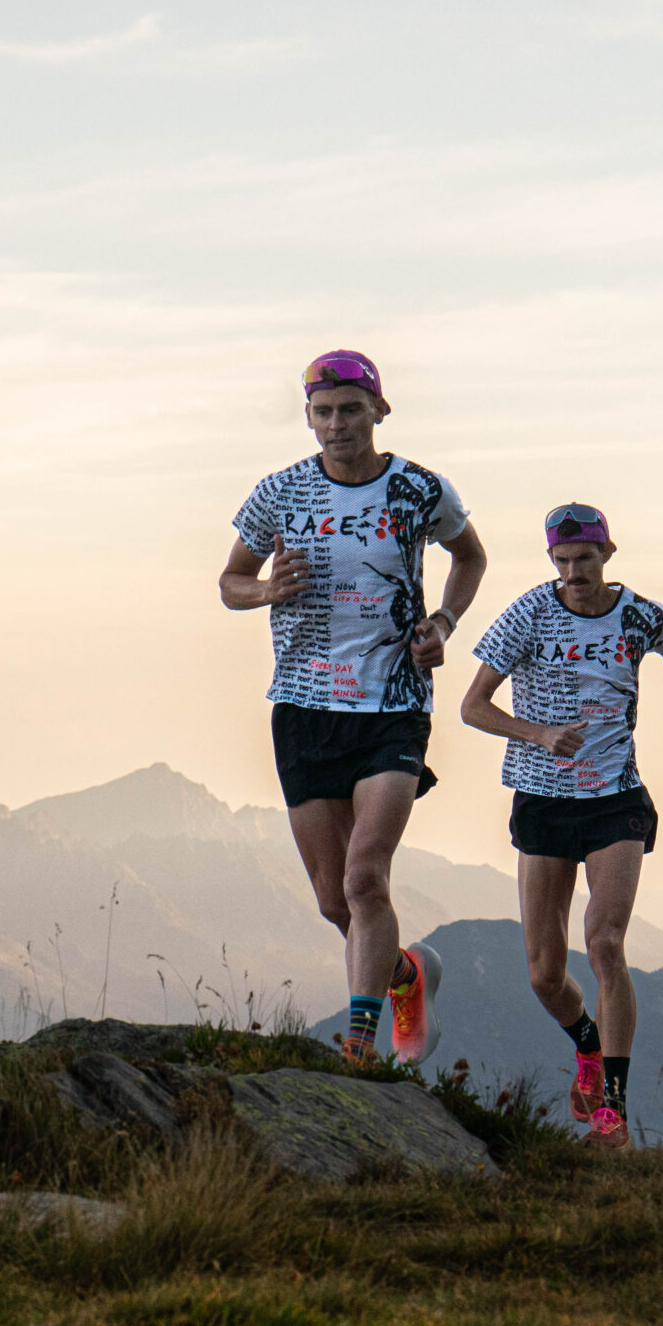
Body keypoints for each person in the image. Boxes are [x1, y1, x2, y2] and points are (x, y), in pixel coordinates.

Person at [219, 350, 487, 1066]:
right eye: (323, 412)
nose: (337, 425)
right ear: (309, 418)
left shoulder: (417, 489)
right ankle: (406, 975)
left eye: (350, 409)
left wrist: (444, 624)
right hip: (304, 707)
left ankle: (361, 1049)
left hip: (393, 703)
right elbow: (229, 582)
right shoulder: (279, 494)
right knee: (335, 901)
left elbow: (470, 558)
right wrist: (268, 591)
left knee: (367, 875)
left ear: (379, 410)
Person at [459, 503, 663, 1150]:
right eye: (562, 561)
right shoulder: (527, 614)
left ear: (609, 554)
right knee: (544, 975)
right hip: (543, 800)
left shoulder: (640, 616)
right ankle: (586, 1042)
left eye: (584, 560)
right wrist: (538, 733)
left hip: (616, 799)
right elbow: (472, 706)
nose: (574, 572)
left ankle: (613, 1110)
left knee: (605, 943)